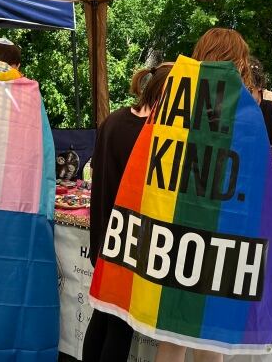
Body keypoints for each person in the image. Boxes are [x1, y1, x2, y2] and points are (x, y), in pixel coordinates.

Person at [83, 62, 173, 362]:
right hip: (130, 241)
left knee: (103, 318)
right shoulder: (155, 134)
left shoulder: (114, 120)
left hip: (104, 234)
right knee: (119, 327)